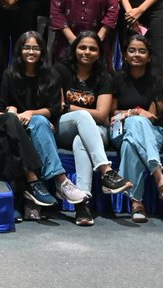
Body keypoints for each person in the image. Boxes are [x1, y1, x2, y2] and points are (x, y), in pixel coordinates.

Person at [0, 30, 76, 220]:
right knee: (11, 122)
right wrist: (9, 115)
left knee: (5, 142)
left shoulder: (1, 71)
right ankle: (34, 179)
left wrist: (10, 113)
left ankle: (15, 201)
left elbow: (3, 103)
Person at [0, 31, 91, 220]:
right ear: (19, 51)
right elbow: (1, 107)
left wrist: (31, 113)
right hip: (17, 126)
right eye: (26, 47)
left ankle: (44, 191)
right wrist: (13, 110)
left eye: (35, 48)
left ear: (42, 51)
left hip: (43, 125)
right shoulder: (9, 75)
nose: (31, 52)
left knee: (40, 122)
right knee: (30, 129)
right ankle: (59, 182)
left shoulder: (51, 75)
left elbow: (54, 109)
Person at [53, 31, 133, 225]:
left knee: (81, 140)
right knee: (82, 115)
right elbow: (58, 107)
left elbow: (102, 115)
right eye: (82, 47)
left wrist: (69, 106)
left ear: (99, 53)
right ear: (74, 49)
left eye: (92, 49)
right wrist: (75, 110)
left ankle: (82, 204)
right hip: (65, 127)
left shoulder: (105, 77)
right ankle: (106, 171)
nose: (86, 52)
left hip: (97, 131)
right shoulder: (60, 70)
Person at [110, 34, 163, 223]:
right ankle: (159, 177)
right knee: (135, 123)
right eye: (132, 50)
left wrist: (131, 114)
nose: (137, 54)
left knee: (132, 143)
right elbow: (112, 114)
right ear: (125, 55)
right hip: (119, 130)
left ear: (149, 56)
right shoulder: (116, 78)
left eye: (142, 51)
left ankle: (136, 202)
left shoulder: (157, 79)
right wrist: (135, 112)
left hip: (153, 133)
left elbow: (153, 117)